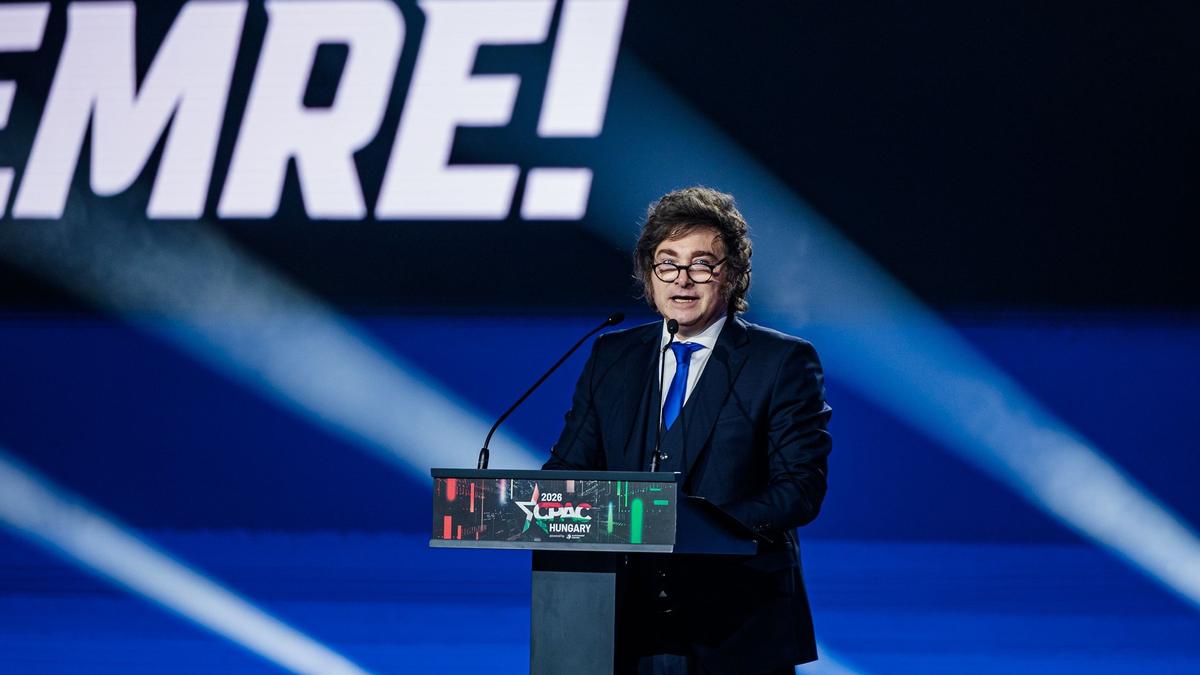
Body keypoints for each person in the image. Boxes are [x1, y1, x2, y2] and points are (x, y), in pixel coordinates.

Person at [544, 187, 833, 675]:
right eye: (667, 264)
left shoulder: (781, 361)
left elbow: (799, 489)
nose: (682, 279)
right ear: (649, 274)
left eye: (702, 264)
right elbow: (566, 472)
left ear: (733, 274)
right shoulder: (612, 356)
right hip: (618, 623)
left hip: (736, 627)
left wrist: (697, 528)